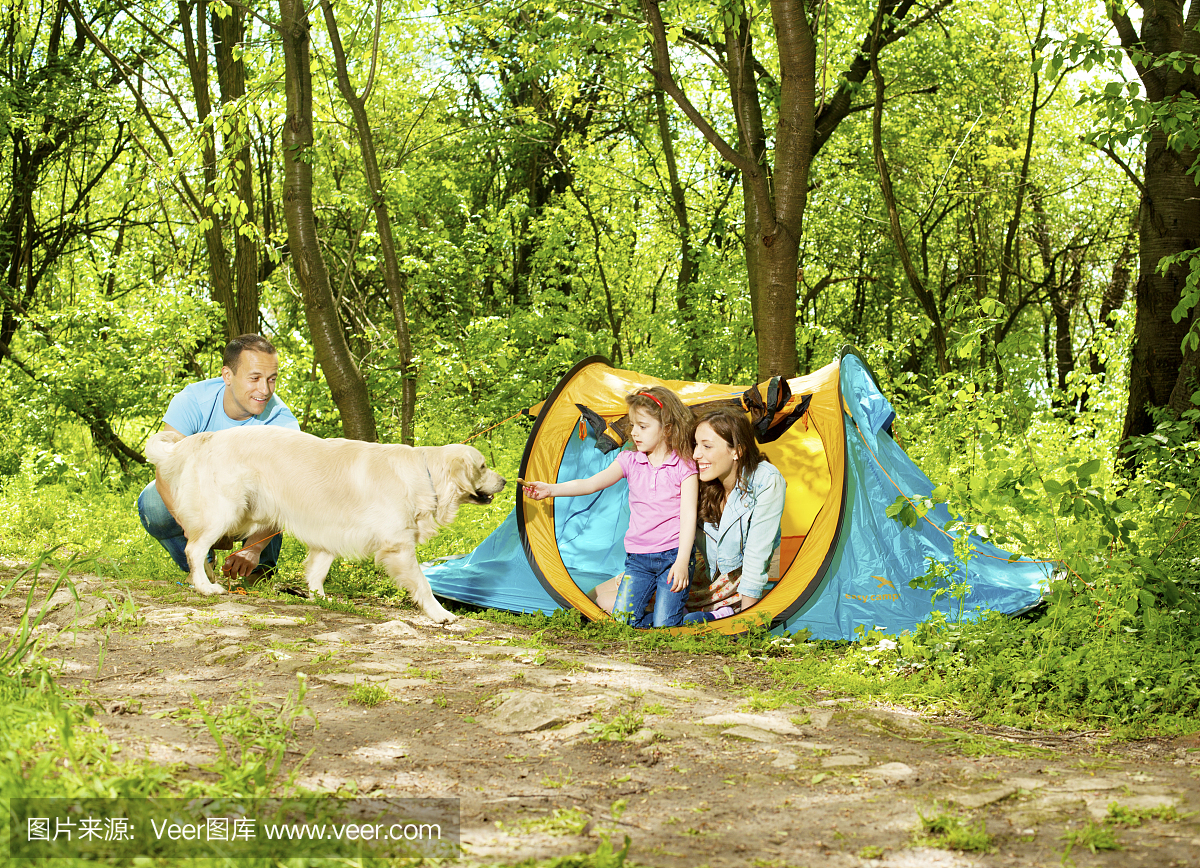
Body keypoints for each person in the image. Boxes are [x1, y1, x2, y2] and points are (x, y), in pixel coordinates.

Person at [524, 386, 698, 627]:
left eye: (643, 426)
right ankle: (671, 613)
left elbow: (689, 516)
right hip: (638, 560)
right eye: (633, 425)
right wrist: (550, 489)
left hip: (672, 555)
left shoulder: (684, 465)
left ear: (667, 428)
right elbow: (590, 484)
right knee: (625, 621)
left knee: (665, 627)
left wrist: (681, 561)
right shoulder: (629, 460)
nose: (634, 432)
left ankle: (683, 615)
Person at [137, 334, 300, 583]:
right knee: (152, 505)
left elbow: (288, 498)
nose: (264, 390)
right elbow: (165, 472)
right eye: (254, 378)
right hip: (201, 498)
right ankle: (202, 565)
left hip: (250, 507)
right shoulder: (192, 401)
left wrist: (253, 548)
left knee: (277, 490)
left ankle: (258, 568)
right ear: (227, 376)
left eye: (271, 380)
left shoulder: (282, 423)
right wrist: (193, 529)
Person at [685, 405, 786, 621]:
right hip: (703, 573)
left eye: (707, 446)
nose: (696, 454)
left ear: (737, 451)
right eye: (696, 445)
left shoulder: (766, 480)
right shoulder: (700, 479)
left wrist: (747, 622)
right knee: (606, 599)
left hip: (738, 581)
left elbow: (757, 555)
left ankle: (726, 614)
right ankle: (700, 615)